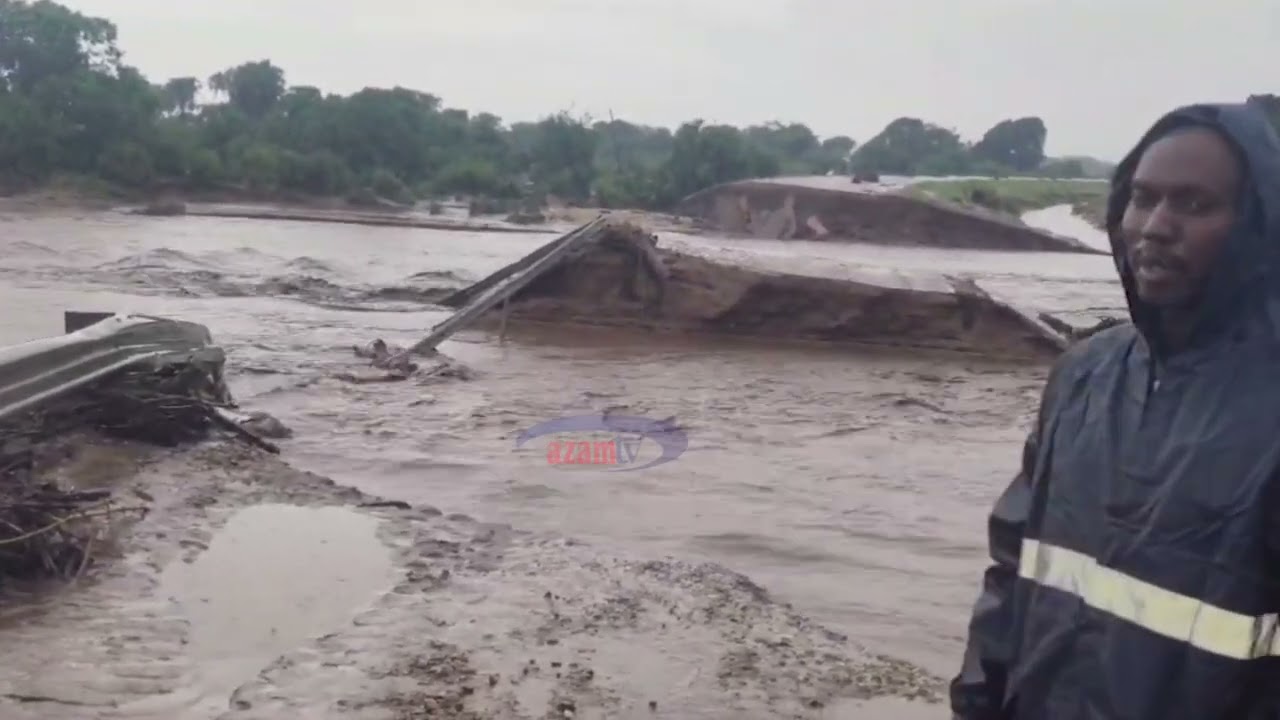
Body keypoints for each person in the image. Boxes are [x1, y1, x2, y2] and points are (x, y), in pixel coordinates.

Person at [950, 101, 1280, 719]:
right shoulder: (1084, 375)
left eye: (1194, 204)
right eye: (1142, 198)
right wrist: (976, 704)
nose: (1155, 226)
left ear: (1256, 225)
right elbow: (1012, 571)